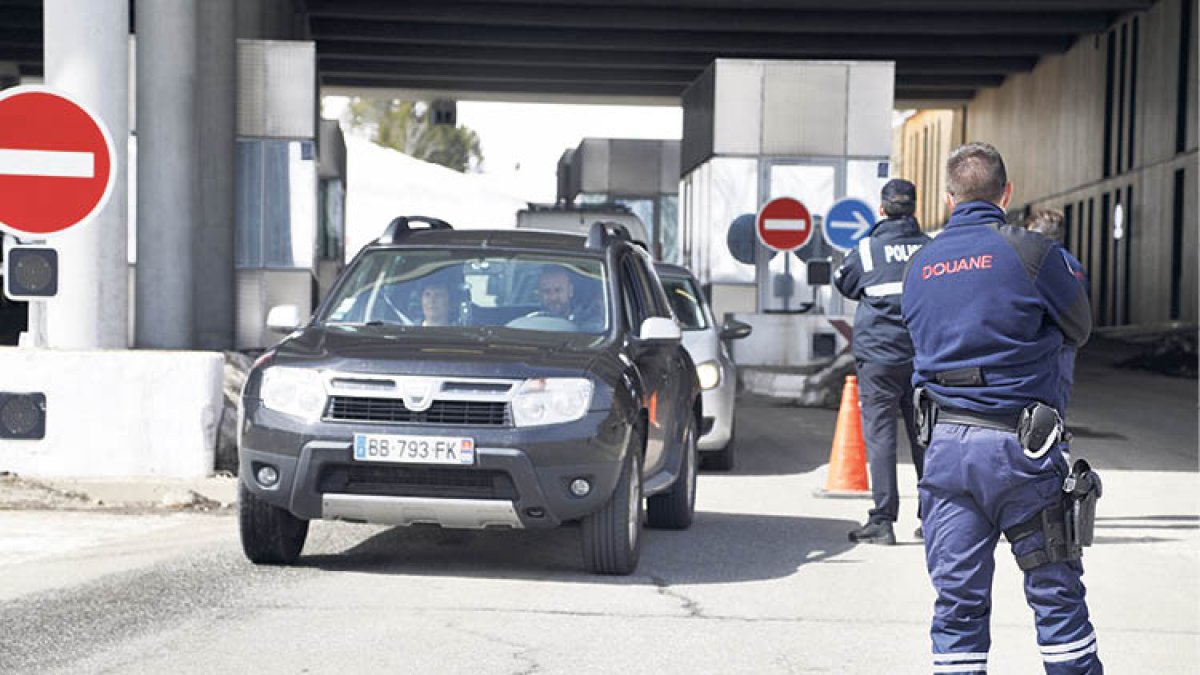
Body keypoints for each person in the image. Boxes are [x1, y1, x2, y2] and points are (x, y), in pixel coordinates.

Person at [901, 142, 1100, 674]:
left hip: (945, 456)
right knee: (1055, 597)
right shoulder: (1034, 254)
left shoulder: (920, 265)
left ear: (948, 199)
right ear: (1006, 193)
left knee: (958, 606)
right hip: (1022, 452)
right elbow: (1078, 329)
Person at [833, 178, 931, 545]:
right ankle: (932, 519)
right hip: (923, 357)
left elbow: (844, 283)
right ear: (915, 209)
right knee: (925, 437)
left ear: (882, 209)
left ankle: (883, 520)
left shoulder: (868, 249)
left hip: (878, 358)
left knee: (881, 438)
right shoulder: (930, 249)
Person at [1026, 209, 1089, 415]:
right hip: (1066, 343)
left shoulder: (1035, 261)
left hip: (1039, 341)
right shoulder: (1073, 264)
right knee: (1058, 399)